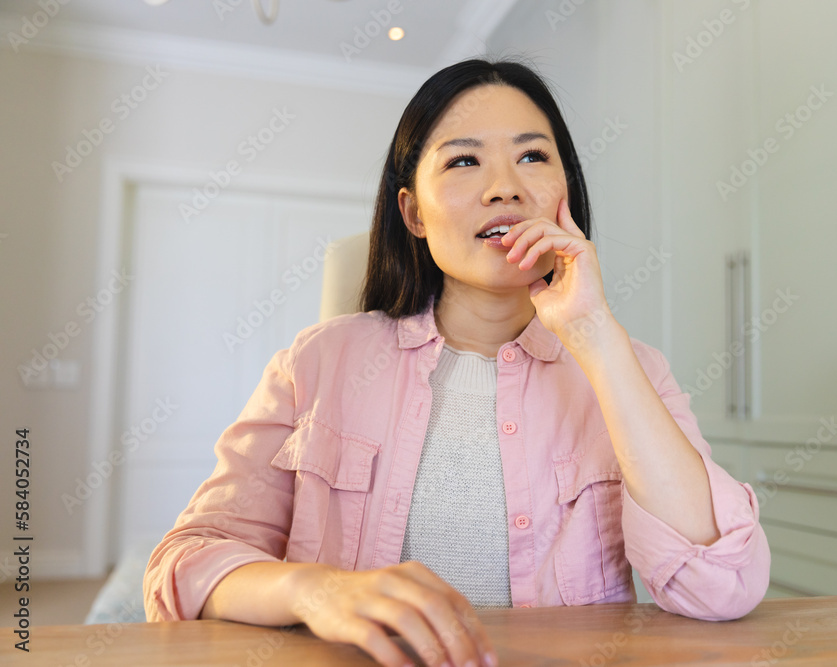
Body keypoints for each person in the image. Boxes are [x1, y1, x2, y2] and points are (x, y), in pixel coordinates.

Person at [143, 57, 771, 667]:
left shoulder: (633, 370)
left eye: (533, 157)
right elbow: (182, 566)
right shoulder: (315, 364)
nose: (505, 187)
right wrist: (315, 591)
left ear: (566, 193)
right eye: (464, 161)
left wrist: (596, 336)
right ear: (413, 213)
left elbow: (723, 585)